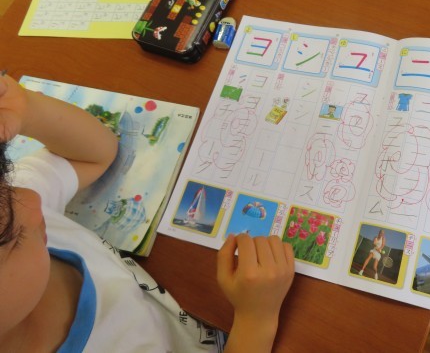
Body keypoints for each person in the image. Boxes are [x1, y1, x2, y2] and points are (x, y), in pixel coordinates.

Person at [0, 73, 295, 352]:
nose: (32, 199)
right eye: (13, 234)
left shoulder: (19, 208)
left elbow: (95, 155)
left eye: (6, 185)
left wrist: (26, 108)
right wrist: (256, 320)